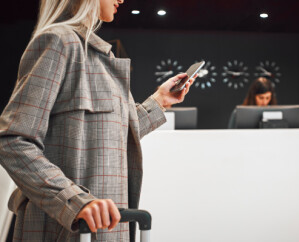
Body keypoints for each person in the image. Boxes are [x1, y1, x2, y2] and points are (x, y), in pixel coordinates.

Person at [0, 0, 196, 241]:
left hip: (106, 227)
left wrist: (160, 101)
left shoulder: (95, 53)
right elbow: (13, 141)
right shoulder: (58, 42)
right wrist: (73, 200)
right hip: (65, 230)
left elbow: (114, 135)